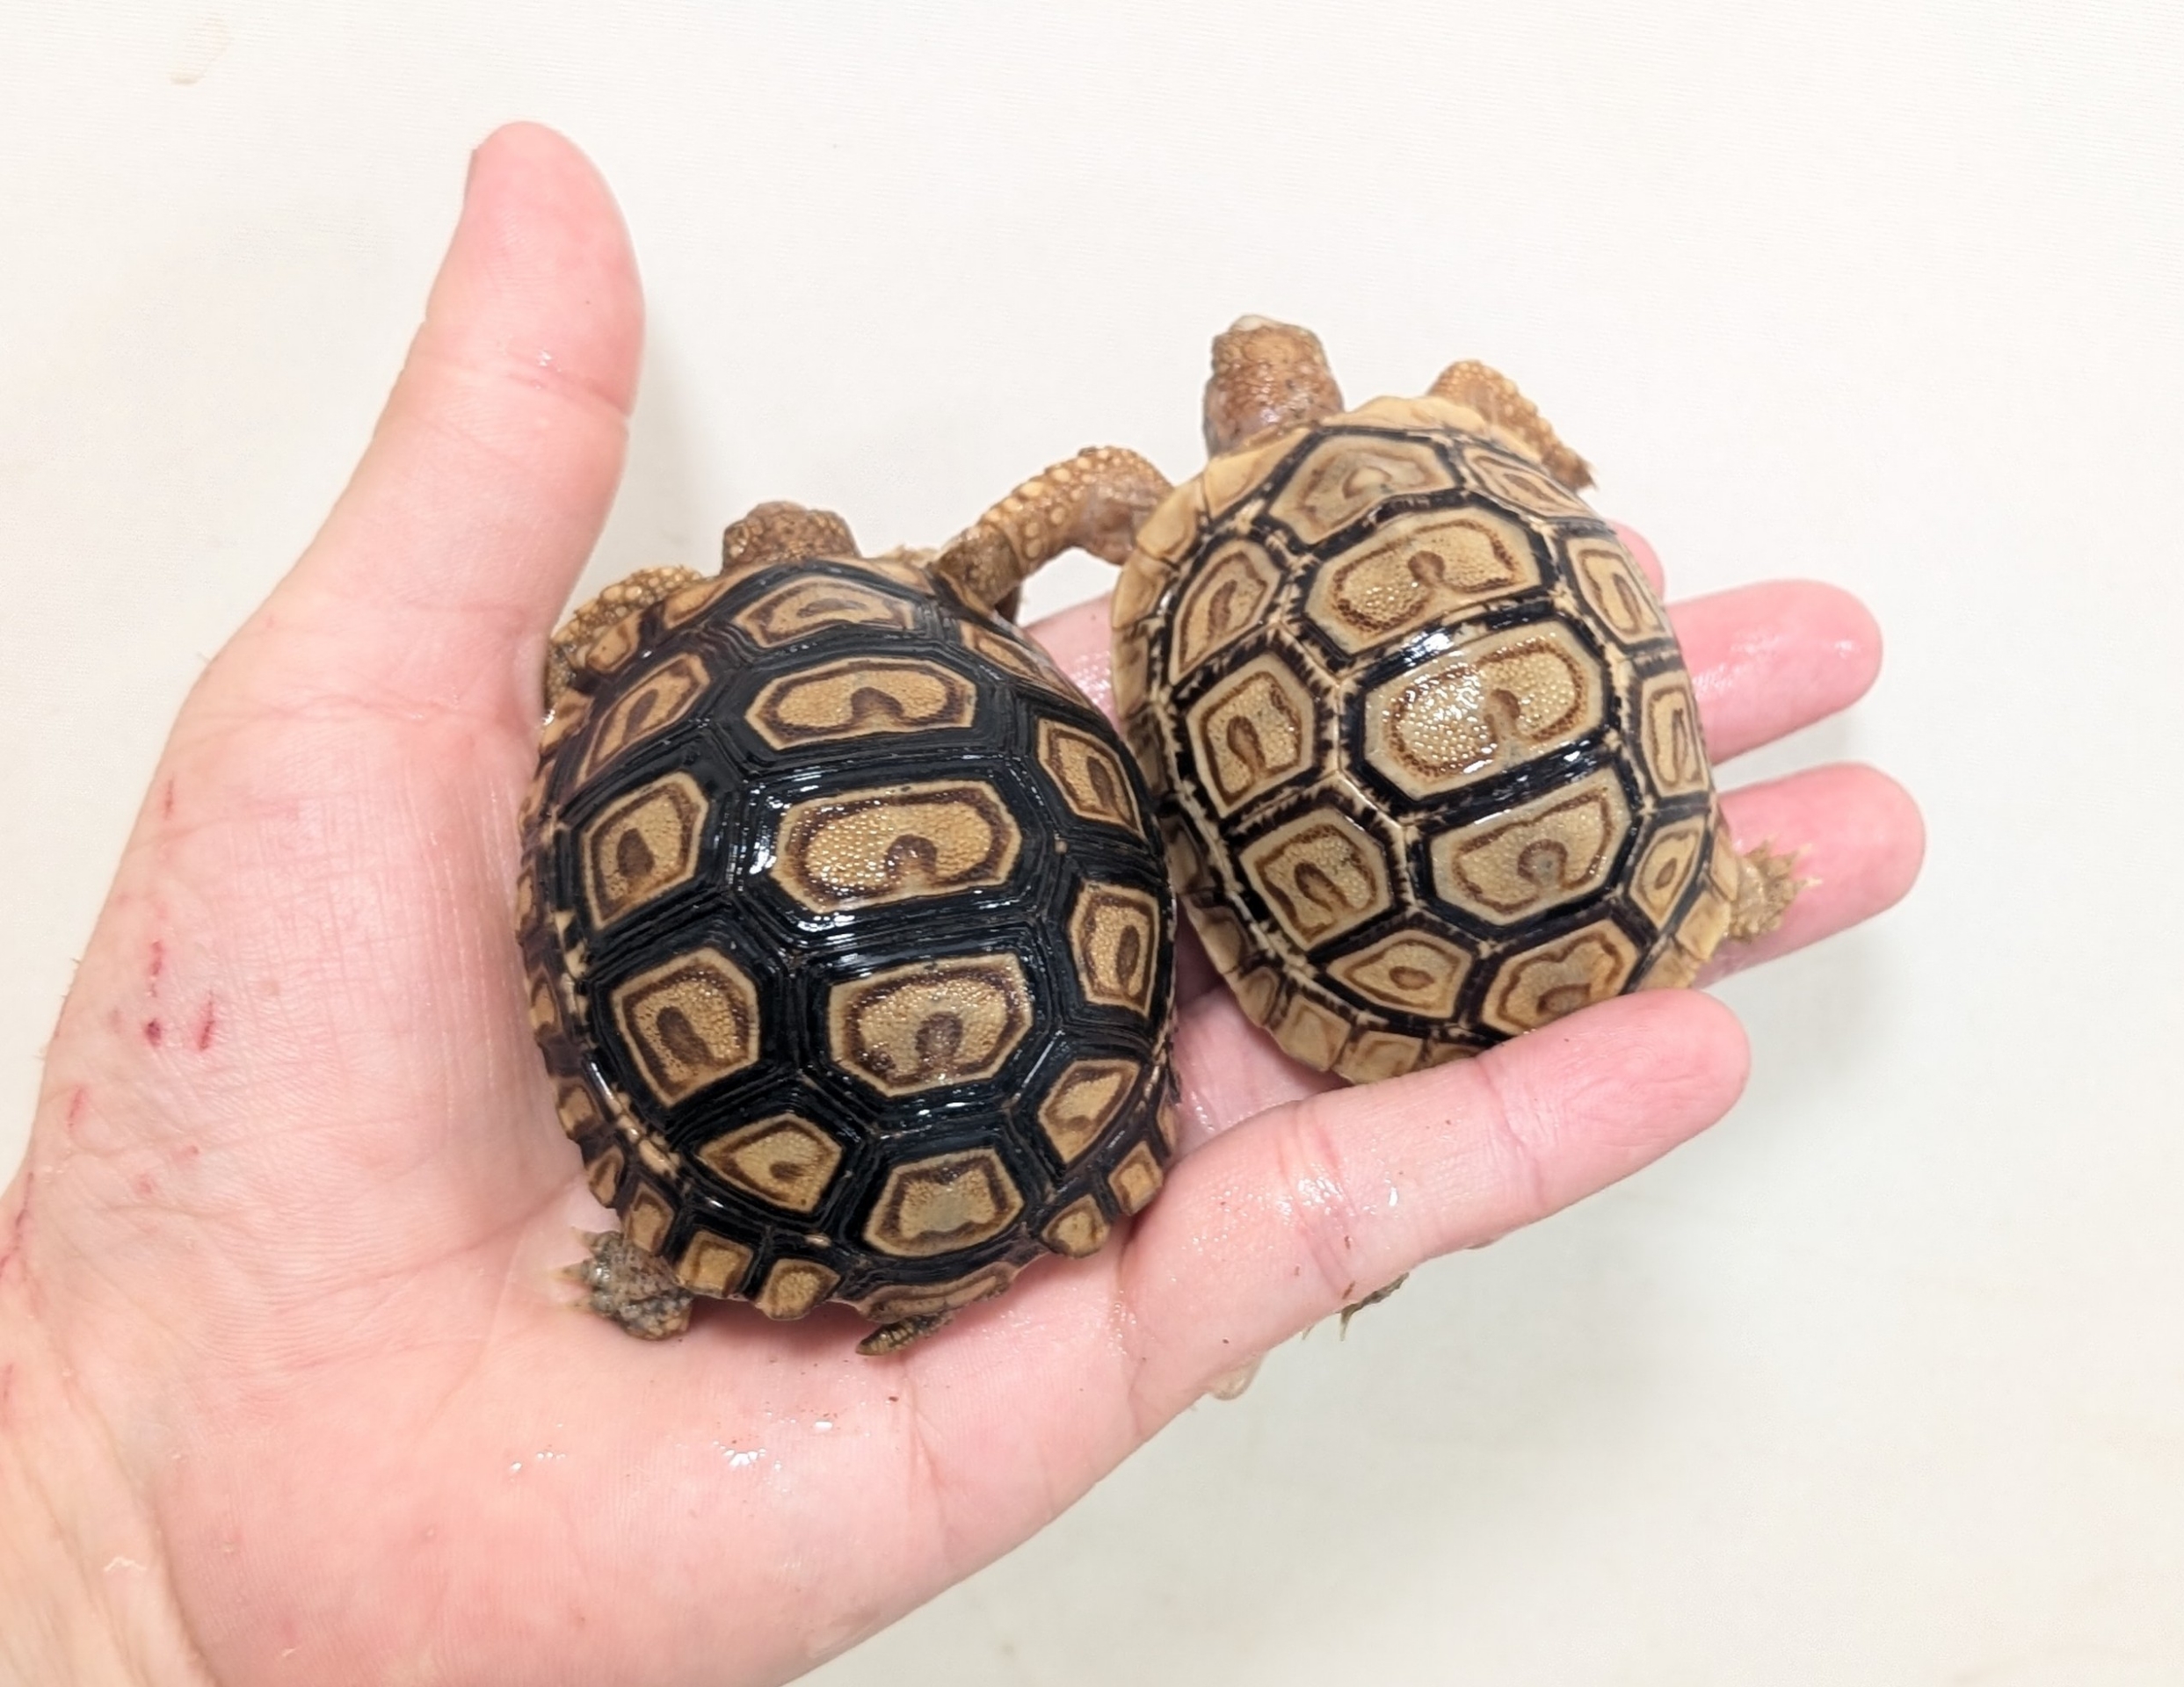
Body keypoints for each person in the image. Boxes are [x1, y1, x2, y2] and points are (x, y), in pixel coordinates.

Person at [0, 125, 1921, 1685]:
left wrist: (967, 576)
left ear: (1232, 406)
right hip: (1165, 991)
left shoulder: (769, 630)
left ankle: (685, 1252)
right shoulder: (1455, 428)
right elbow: (1501, 457)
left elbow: (1031, 545)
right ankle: (1677, 897)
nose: (1234, 377)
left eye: (1234, 374)